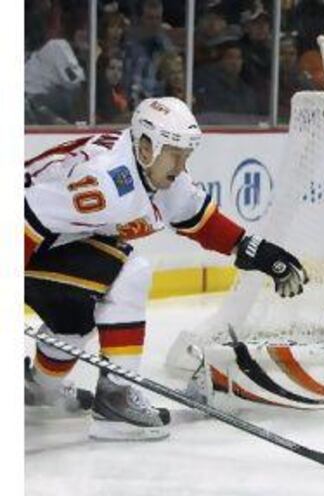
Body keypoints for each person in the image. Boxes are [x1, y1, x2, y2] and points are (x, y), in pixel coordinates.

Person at [24, 97, 308, 441]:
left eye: (185, 154)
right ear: (146, 147)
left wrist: (258, 252)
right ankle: (117, 398)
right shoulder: (106, 181)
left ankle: (39, 392)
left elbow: (196, 217)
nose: (181, 165)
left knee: (74, 314)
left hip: (51, 242)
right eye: (174, 153)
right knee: (127, 273)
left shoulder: (156, 172)